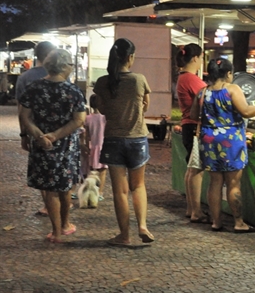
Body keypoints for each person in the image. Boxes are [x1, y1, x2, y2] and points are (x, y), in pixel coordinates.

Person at [191, 58, 255, 233]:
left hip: (209, 139)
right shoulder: (232, 89)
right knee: (233, 183)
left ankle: (216, 222)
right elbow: (245, 111)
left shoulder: (202, 92)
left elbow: (193, 114)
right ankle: (239, 223)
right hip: (231, 140)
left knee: (214, 182)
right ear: (228, 74)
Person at [19, 49, 86, 243]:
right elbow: (79, 120)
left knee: (49, 189)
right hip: (66, 145)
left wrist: (40, 136)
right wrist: (55, 136)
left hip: (42, 146)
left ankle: (55, 231)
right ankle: (65, 225)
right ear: (65, 67)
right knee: (66, 187)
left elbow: (25, 116)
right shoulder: (73, 91)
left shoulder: (34, 87)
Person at [93, 38, 154, 247]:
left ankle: (124, 235)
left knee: (120, 191)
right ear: (130, 57)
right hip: (137, 138)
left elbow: (101, 108)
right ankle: (143, 225)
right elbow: (145, 106)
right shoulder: (139, 80)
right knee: (138, 186)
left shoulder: (102, 82)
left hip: (113, 140)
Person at [15, 41, 57, 216]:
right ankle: (60, 206)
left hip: (35, 130)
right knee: (58, 167)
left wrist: (24, 134)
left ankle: (48, 205)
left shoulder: (24, 78)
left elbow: (21, 110)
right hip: (58, 131)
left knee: (41, 169)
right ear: (50, 55)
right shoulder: (60, 75)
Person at [176, 43, 209, 223]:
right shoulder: (191, 79)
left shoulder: (182, 77)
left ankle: (191, 208)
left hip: (188, 126)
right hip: (195, 127)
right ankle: (196, 211)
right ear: (195, 58)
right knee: (196, 169)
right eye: (201, 57)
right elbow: (207, 99)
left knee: (191, 168)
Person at [83, 94, 108, 200]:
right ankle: (100, 193)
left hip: (91, 146)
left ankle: (88, 191)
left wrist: (85, 145)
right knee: (102, 171)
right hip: (103, 147)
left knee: (90, 171)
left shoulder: (87, 118)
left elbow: (86, 135)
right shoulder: (105, 118)